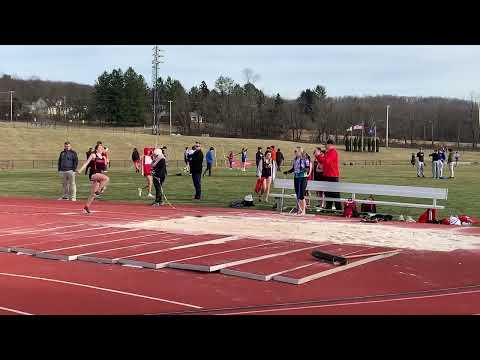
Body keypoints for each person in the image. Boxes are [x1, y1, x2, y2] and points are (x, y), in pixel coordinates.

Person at [77, 143, 109, 214]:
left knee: (92, 194)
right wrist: (80, 170)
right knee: (106, 179)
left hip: (100, 175)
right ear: (97, 149)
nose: (102, 149)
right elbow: (86, 163)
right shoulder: (93, 155)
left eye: (102, 148)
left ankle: (86, 207)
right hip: (93, 174)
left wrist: (106, 159)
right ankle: (98, 191)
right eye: (100, 148)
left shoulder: (103, 157)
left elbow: (105, 167)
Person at [315, 139, 341, 211]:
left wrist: (319, 155)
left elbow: (327, 161)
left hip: (332, 176)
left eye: (326, 144)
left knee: (335, 193)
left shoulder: (333, 152)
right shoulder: (328, 152)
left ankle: (338, 208)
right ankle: (328, 207)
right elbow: (322, 161)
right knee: (327, 193)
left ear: (330, 144)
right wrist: (317, 156)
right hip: (327, 175)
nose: (325, 146)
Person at [284, 147, 310, 215]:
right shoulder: (295, 159)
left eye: (297, 151)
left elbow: (307, 169)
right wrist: (287, 172)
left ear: (300, 152)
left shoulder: (305, 159)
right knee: (298, 194)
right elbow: (293, 168)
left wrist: (302, 170)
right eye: (295, 152)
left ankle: (304, 210)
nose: (295, 153)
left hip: (303, 177)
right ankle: (299, 210)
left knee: (301, 194)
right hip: (296, 177)